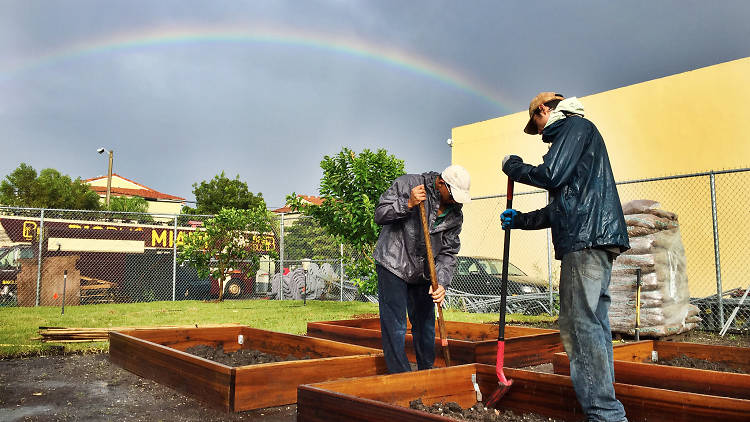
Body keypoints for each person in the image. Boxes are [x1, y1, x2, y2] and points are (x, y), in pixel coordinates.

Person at [501, 92, 630, 422]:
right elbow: (561, 205)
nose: (540, 133)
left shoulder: (573, 128)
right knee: (595, 327)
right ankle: (608, 411)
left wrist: (514, 167)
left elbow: (551, 175)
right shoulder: (579, 135)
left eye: (537, 123)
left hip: (585, 242)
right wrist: (521, 220)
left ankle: (605, 416)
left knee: (579, 327)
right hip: (595, 239)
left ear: (543, 110)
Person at [372, 164, 471, 373]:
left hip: (425, 271)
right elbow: (380, 214)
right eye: (453, 196)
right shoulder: (409, 184)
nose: (455, 202)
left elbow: (448, 252)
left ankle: (427, 373)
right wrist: (407, 203)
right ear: (442, 184)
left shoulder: (455, 215)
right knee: (396, 326)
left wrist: (442, 282)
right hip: (394, 263)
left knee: (425, 326)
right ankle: (401, 377)